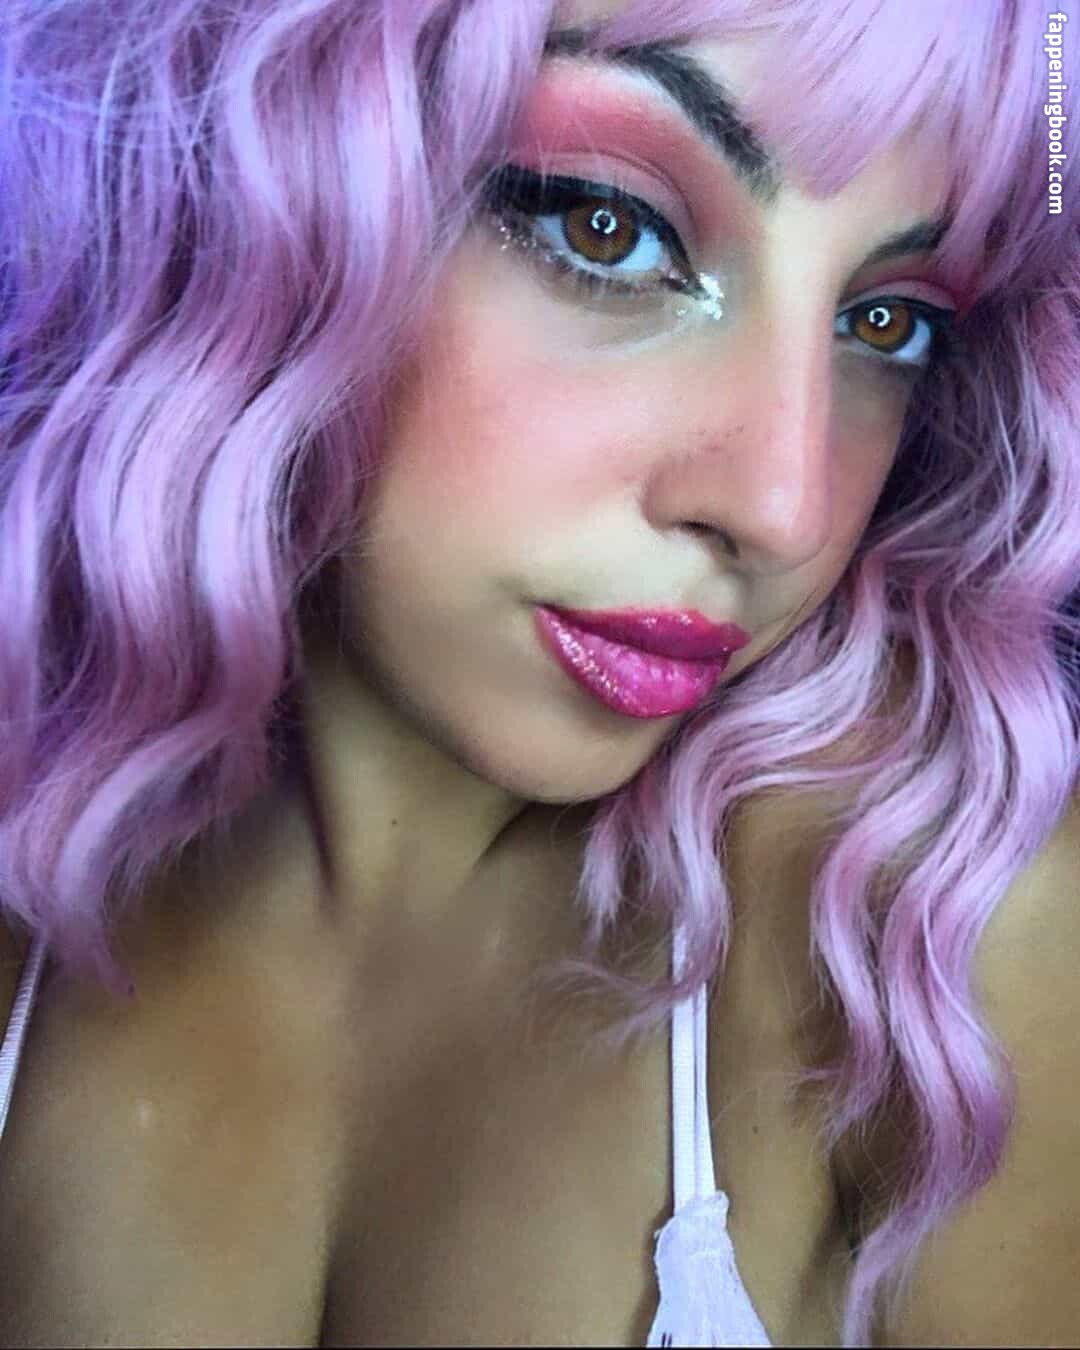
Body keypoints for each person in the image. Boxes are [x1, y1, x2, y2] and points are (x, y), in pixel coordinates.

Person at [0, 0, 1077, 1344]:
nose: (783, 506)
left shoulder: (926, 958)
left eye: (888, 321)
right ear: (260, 179)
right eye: (608, 227)